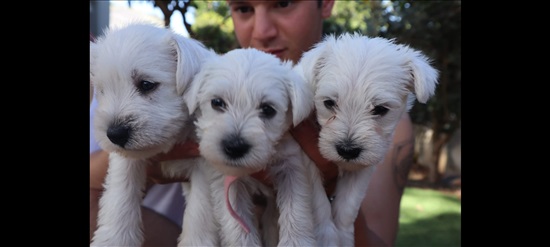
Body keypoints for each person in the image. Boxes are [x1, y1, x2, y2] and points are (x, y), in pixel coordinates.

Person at [89, 0, 415, 246]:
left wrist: (328, 204)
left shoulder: (387, 124)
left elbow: (376, 237)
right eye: (243, 8)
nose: (261, 30)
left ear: (326, 3)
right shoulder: (207, 73)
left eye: (283, 3)